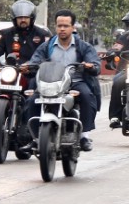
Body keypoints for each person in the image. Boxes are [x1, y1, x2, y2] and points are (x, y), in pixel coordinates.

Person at [24, 10, 100, 151]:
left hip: (74, 82)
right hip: (50, 82)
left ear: (73, 28)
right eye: (59, 26)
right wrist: (29, 66)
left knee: (87, 96)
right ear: (55, 27)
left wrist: (91, 66)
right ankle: (34, 138)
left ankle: (84, 136)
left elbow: (95, 64)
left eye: (66, 26)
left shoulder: (83, 46)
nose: (62, 29)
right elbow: (35, 60)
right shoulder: (47, 46)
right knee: (31, 100)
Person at [0, 0, 51, 64]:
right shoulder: (5, 34)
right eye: (20, 18)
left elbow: (51, 53)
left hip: (36, 72)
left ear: (31, 18)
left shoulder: (43, 34)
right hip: (12, 72)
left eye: (26, 17)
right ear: (14, 19)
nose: (23, 20)